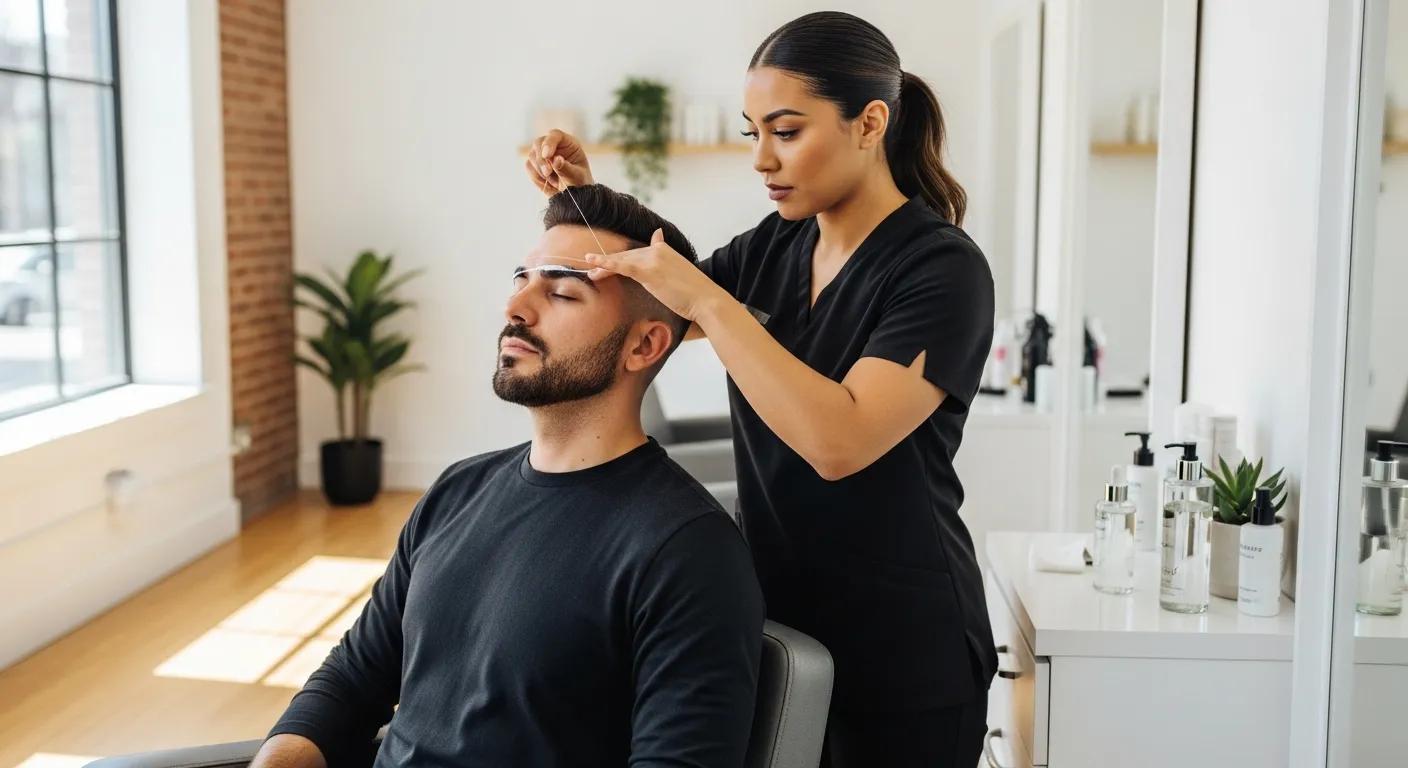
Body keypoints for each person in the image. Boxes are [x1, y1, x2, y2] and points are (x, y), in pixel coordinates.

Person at [525, 11, 996, 767]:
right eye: (753, 133)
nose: (762, 160)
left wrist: (714, 302)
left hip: (905, 646)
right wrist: (587, 199)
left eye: (786, 131)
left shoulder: (941, 271)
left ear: (869, 122)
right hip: (778, 615)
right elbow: (661, 295)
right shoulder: (778, 243)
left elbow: (838, 442)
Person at [252, 184, 765, 768]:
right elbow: (352, 680)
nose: (516, 308)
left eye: (563, 292)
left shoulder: (687, 550)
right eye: (521, 279)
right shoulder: (456, 491)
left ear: (644, 345)